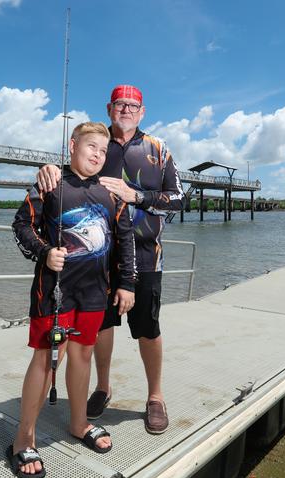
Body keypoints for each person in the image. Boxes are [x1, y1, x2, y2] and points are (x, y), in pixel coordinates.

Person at [37, 85, 184, 435]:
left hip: (147, 255)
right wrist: (48, 168)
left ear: (143, 112)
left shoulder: (158, 149)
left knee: (147, 328)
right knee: (100, 328)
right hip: (98, 259)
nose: (127, 110)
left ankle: (155, 396)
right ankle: (103, 387)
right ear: (109, 108)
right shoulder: (97, 144)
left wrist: (137, 196)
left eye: (133, 106)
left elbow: (179, 198)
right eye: (121, 104)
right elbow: (72, 174)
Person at [8, 121, 137, 478]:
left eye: (103, 150)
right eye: (90, 146)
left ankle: (79, 424)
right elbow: (21, 225)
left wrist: (126, 284)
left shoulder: (111, 193)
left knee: (83, 355)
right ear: (72, 145)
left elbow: (124, 240)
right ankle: (23, 438)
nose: (97, 154)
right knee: (48, 361)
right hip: (55, 292)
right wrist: (45, 252)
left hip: (96, 292)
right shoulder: (51, 184)